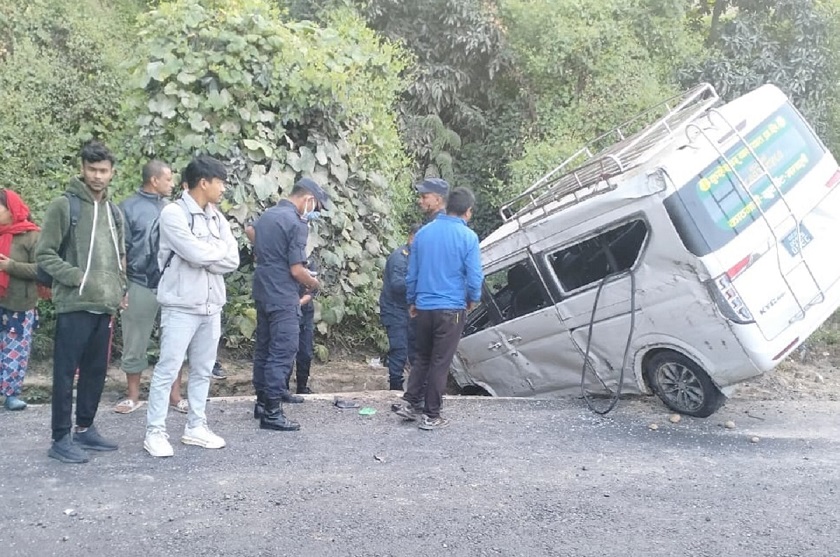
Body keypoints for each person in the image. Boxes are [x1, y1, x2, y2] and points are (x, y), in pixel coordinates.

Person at [143, 155, 239, 458]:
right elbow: (194, 253)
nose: (223, 189)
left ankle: (196, 427)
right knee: (168, 369)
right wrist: (214, 255)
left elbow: (232, 259)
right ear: (204, 182)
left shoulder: (217, 217)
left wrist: (208, 255)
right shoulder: (173, 213)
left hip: (212, 306)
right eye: (220, 182)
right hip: (181, 306)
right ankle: (155, 432)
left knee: (202, 370)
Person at [37, 140, 127, 463]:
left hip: (104, 306)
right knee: (64, 373)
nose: (98, 176)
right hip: (74, 304)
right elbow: (43, 253)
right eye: (92, 169)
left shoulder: (114, 211)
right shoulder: (65, 205)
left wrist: (121, 288)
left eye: (103, 170)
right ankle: (60, 437)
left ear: (112, 172)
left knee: (96, 371)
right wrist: (77, 276)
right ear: (82, 169)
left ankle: (85, 428)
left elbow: (120, 255)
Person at [393, 186, 483, 430]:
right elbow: (475, 277)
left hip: (423, 307)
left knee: (421, 357)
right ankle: (432, 415)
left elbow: (412, 273)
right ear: (467, 211)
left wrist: (412, 301)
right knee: (440, 362)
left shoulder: (423, 234)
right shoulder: (468, 238)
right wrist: (472, 299)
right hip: (451, 309)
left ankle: (410, 403)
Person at [247, 177, 327, 431]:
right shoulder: (296, 223)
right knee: (282, 351)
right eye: (316, 207)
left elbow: (251, 232)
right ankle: (272, 411)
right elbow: (296, 269)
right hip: (282, 293)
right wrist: (313, 284)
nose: (314, 212)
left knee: (264, 348)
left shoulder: (268, 215)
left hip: (263, 289)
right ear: (308, 200)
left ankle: (261, 403)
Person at [114, 160, 188, 415]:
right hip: (139, 283)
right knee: (135, 341)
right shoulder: (128, 208)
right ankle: (133, 397)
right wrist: (122, 286)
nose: (172, 183)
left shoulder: (175, 209)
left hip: (171, 284)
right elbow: (120, 251)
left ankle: (175, 397)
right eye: (168, 179)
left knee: (176, 342)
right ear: (154, 180)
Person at [0, 189, 41, 411]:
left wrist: (10, 267)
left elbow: (42, 270)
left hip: (19, 305)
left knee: (16, 350)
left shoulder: (32, 235)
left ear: (12, 210)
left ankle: (11, 394)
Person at [379, 224, 420, 391]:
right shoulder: (400, 256)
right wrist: (418, 282)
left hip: (409, 311)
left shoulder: (417, 257)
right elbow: (397, 285)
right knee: (399, 350)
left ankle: (414, 389)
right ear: (412, 237)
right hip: (394, 310)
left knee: (415, 351)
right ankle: (395, 388)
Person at [292, 258, 318, 395]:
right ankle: (282, 387)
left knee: (305, 353)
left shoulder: (310, 261)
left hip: (305, 311)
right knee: (288, 350)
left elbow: (313, 290)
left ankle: (302, 386)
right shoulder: (287, 259)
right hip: (288, 311)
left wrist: (299, 303)